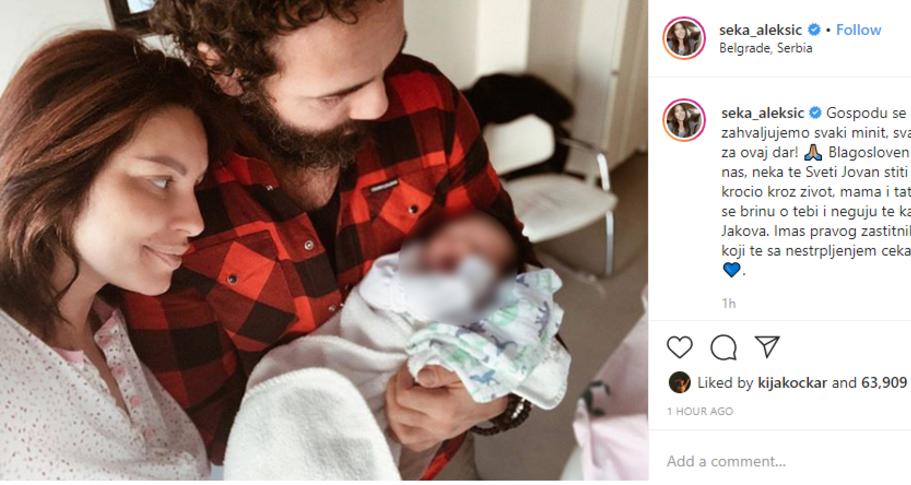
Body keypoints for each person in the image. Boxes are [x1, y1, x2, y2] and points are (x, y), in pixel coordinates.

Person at [122, 0, 545, 477]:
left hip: (443, 457)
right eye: (336, 93)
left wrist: (496, 398)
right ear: (226, 68)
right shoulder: (171, 193)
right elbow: (208, 424)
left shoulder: (427, 102)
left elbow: (518, 278)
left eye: (387, 60)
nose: (379, 104)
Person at [0, 30, 224, 479]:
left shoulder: (108, 328)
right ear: (60, 164)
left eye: (194, 187)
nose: (195, 222)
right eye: (160, 181)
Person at [223, 212, 570, 478]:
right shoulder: (399, 277)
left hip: (422, 430)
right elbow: (387, 286)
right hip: (343, 365)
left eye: (478, 255)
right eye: (451, 237)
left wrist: (493, 394)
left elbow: (522, 340)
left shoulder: (487, 313)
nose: (459, 248)